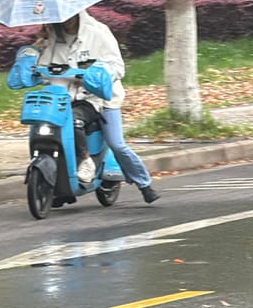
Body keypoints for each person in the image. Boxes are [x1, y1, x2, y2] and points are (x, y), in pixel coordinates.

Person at [31, 10, 160, 204]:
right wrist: (36, 52)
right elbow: (42, 69)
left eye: (69, 15)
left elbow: (117, 66)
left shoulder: (98, 32)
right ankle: (63, 187)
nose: (65, 19)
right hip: (63, 99)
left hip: (100, 99)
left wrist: (95, 78)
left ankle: (144, 184)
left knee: (116, 143)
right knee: (51, 133)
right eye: (60, 16)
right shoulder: (52, 37)